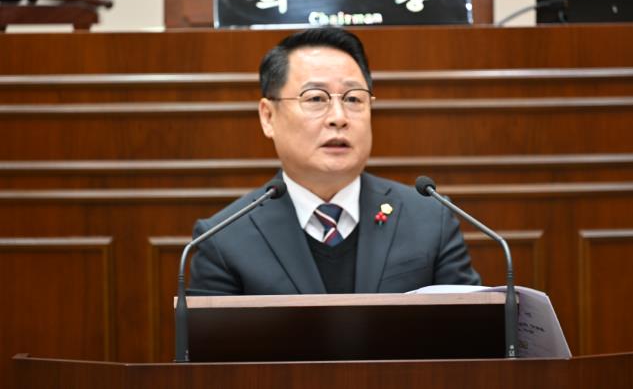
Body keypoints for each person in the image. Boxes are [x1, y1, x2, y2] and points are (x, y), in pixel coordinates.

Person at [189, 28, 480, 294]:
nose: (339, 118)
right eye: (316, 98)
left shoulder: (431, 219)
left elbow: (473, 330)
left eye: (353, 99)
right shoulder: (223, 238)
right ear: (268, 117)